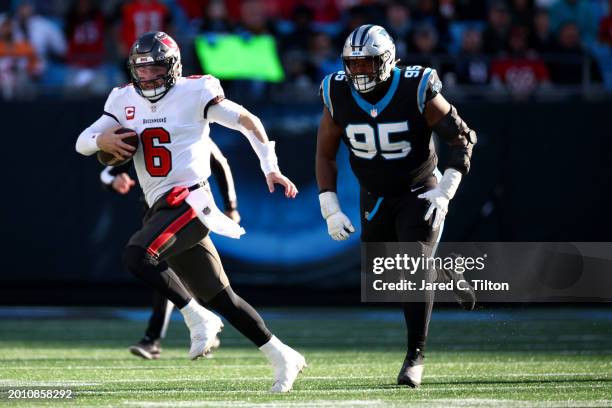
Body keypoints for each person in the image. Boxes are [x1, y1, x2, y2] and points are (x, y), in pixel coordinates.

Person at [76, 31, 305, 392]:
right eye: (141, 69)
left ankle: (197, 319)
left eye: (154, 68)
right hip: (159, 208)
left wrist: (270, 166)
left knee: (137, 256)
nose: (147, 76)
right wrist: (100, 140)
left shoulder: (195, 92)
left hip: (190, 201)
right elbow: (82, 142)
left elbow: (246, 120)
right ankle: (283, 355)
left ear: (172, 67)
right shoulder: (122, 98)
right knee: (223, 298)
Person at [315, 25, 476, 388]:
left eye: (366, 64)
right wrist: (330, 205)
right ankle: (444, 270)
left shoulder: (414, 87)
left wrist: (447, 187)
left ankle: (414, 357)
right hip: (375, 193)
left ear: (386, 60)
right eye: (352, 65)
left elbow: (462, 137)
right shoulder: (336, 91)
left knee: (413, 269)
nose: (358, 73)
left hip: (419, 188)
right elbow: (325, 153)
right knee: (383, 271)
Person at [100, 140, 240, 360]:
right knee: (167, 271)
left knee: (198, 281)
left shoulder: (188, 124)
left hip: (188, 212)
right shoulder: (145, 126)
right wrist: (114, 179)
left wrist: (231, 206)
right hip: (156, 214)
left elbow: (220, 161)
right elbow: (108, 172)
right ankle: (193, 329)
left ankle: (156, 338)